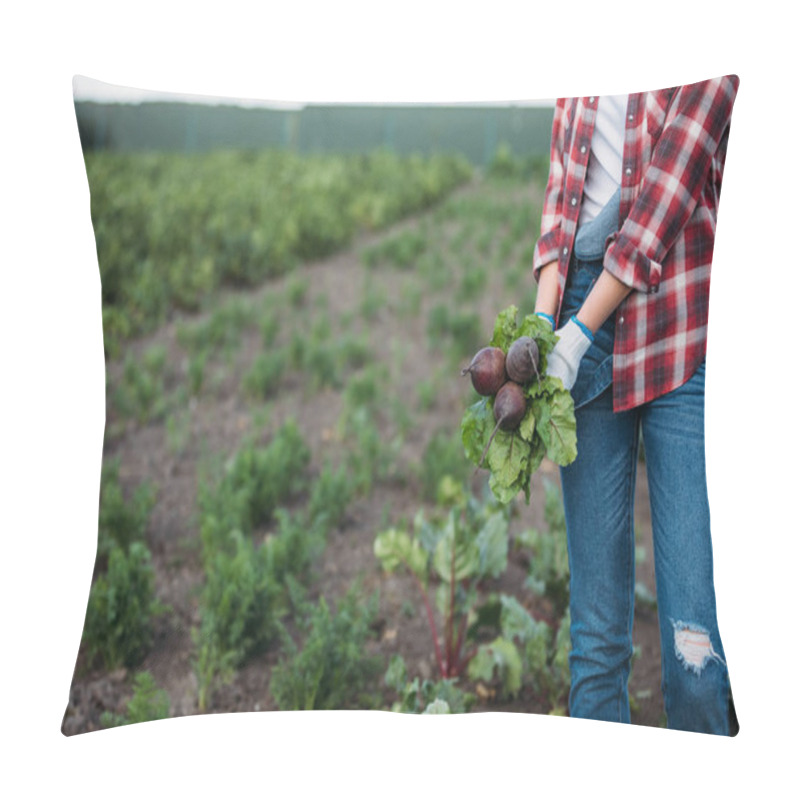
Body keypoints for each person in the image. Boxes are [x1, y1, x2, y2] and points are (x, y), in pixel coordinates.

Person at [531, 76, 739, 735]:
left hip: (680, 319)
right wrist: (544, 335)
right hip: (578, 317)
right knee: (594, 642)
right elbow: (561, 201)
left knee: (695, 653)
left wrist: (581, 330)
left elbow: (668, 189)